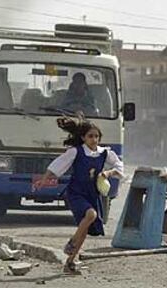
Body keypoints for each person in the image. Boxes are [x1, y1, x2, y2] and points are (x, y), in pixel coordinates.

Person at [32, 115, 123, 274]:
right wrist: (43, 180)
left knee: (85, 229)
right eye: (90, 136)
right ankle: (72, 243)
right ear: (83, 138)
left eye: (96, 136)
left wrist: (108, 173)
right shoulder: (76, 151)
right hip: (76, 193)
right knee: (91, 215)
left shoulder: (104, 153)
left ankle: (70, 262)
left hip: (92, 194)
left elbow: (119, 167)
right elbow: (58, 165)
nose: (94, 139)